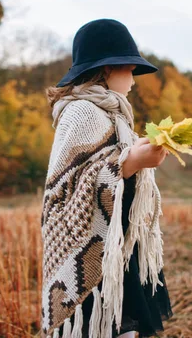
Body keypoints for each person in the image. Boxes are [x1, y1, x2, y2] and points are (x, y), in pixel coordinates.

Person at [40, 19, 174, 338]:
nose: (133, 80)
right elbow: (72, 186)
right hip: (89, 248)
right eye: (129, 69)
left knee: (123, 324)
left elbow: (106, 161)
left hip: (118, 244)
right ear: (106, 70)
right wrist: (130, 162)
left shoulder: (114, 114)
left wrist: (137, 154)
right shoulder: (81, 112)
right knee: (100, 325)